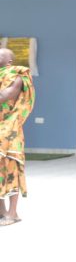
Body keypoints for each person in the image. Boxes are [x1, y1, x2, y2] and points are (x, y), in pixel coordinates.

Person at [0, 48, 35, 227]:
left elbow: (4, 96)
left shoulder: (17, 77)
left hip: (9, 130)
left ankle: (12, 214)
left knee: (11, 170)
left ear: (9, 62)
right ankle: (2, 212)